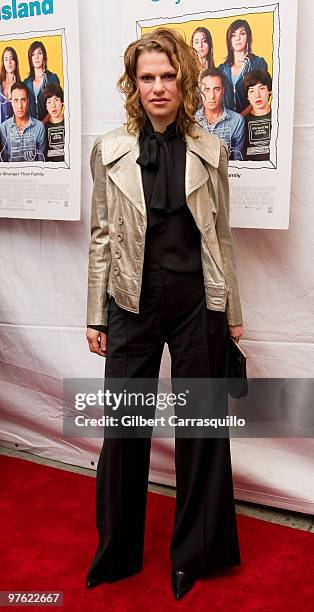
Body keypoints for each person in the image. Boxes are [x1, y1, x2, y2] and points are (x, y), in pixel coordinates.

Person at [86, 28, 243, 601]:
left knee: (202, 429)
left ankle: (194, 554)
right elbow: (101, 237)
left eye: (167, 76)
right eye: (146, 77)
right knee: (124, 430)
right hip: (130, 298)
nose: (158, 87)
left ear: (184, 78)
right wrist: (96, 315)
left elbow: (221, 236)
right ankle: (117, 551)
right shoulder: (109, 148)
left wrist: (233, 312)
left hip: (197, 300)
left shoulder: (212, 148)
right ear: (134, 84)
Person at [218, 19, 268, 115]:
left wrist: (240, 118)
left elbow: (263, 95)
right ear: (229, 40)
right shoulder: (222, 68)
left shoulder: (258, 63)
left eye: (242, 33)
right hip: (228, 124)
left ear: (248, 37)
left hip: (251, 119)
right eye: (233, 35)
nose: (237, 38)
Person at [196, 67, 245, 161]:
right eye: (206, 90)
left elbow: (238, 161)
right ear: (200, 92)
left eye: (216, 89)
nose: (212, 96)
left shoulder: (237, 121)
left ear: (222, 91)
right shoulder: (192, 121)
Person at [0, 82, 46, 162]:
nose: (20, 106)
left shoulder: (39, 127)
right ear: (11, 102)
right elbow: (4, 160)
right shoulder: (4, 128)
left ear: (28, 101)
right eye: (16, 100)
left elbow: (41, 160)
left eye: (23, 100)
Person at [24, 41, 60, 123]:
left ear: (44, 56)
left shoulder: (52, 78)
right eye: (33, 54)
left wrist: (41, 124)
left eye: (39, 53)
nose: (36, 57)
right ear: (30, 59)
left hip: (49, 125)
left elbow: (58, 104)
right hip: (32, 129)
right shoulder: (26, 83)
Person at [243, 69, 272, 161]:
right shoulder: (242, 122)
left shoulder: (279, 117)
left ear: (270, 91)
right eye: (251, 91)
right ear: (247, 96)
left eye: (262, 88)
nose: (257, 95)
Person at [43, 83, 65, 162]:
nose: (53, 105)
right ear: (46, 106)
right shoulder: (43, 128)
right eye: (49, 102)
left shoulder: (69, 124)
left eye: (56, 100)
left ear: (62, 102)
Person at [0, 46, 21, 124]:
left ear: (16, 62)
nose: (9, 62)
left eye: (11, 59)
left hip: (14, 130)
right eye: (6, 59)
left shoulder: (20, 86)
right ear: (3, 63)